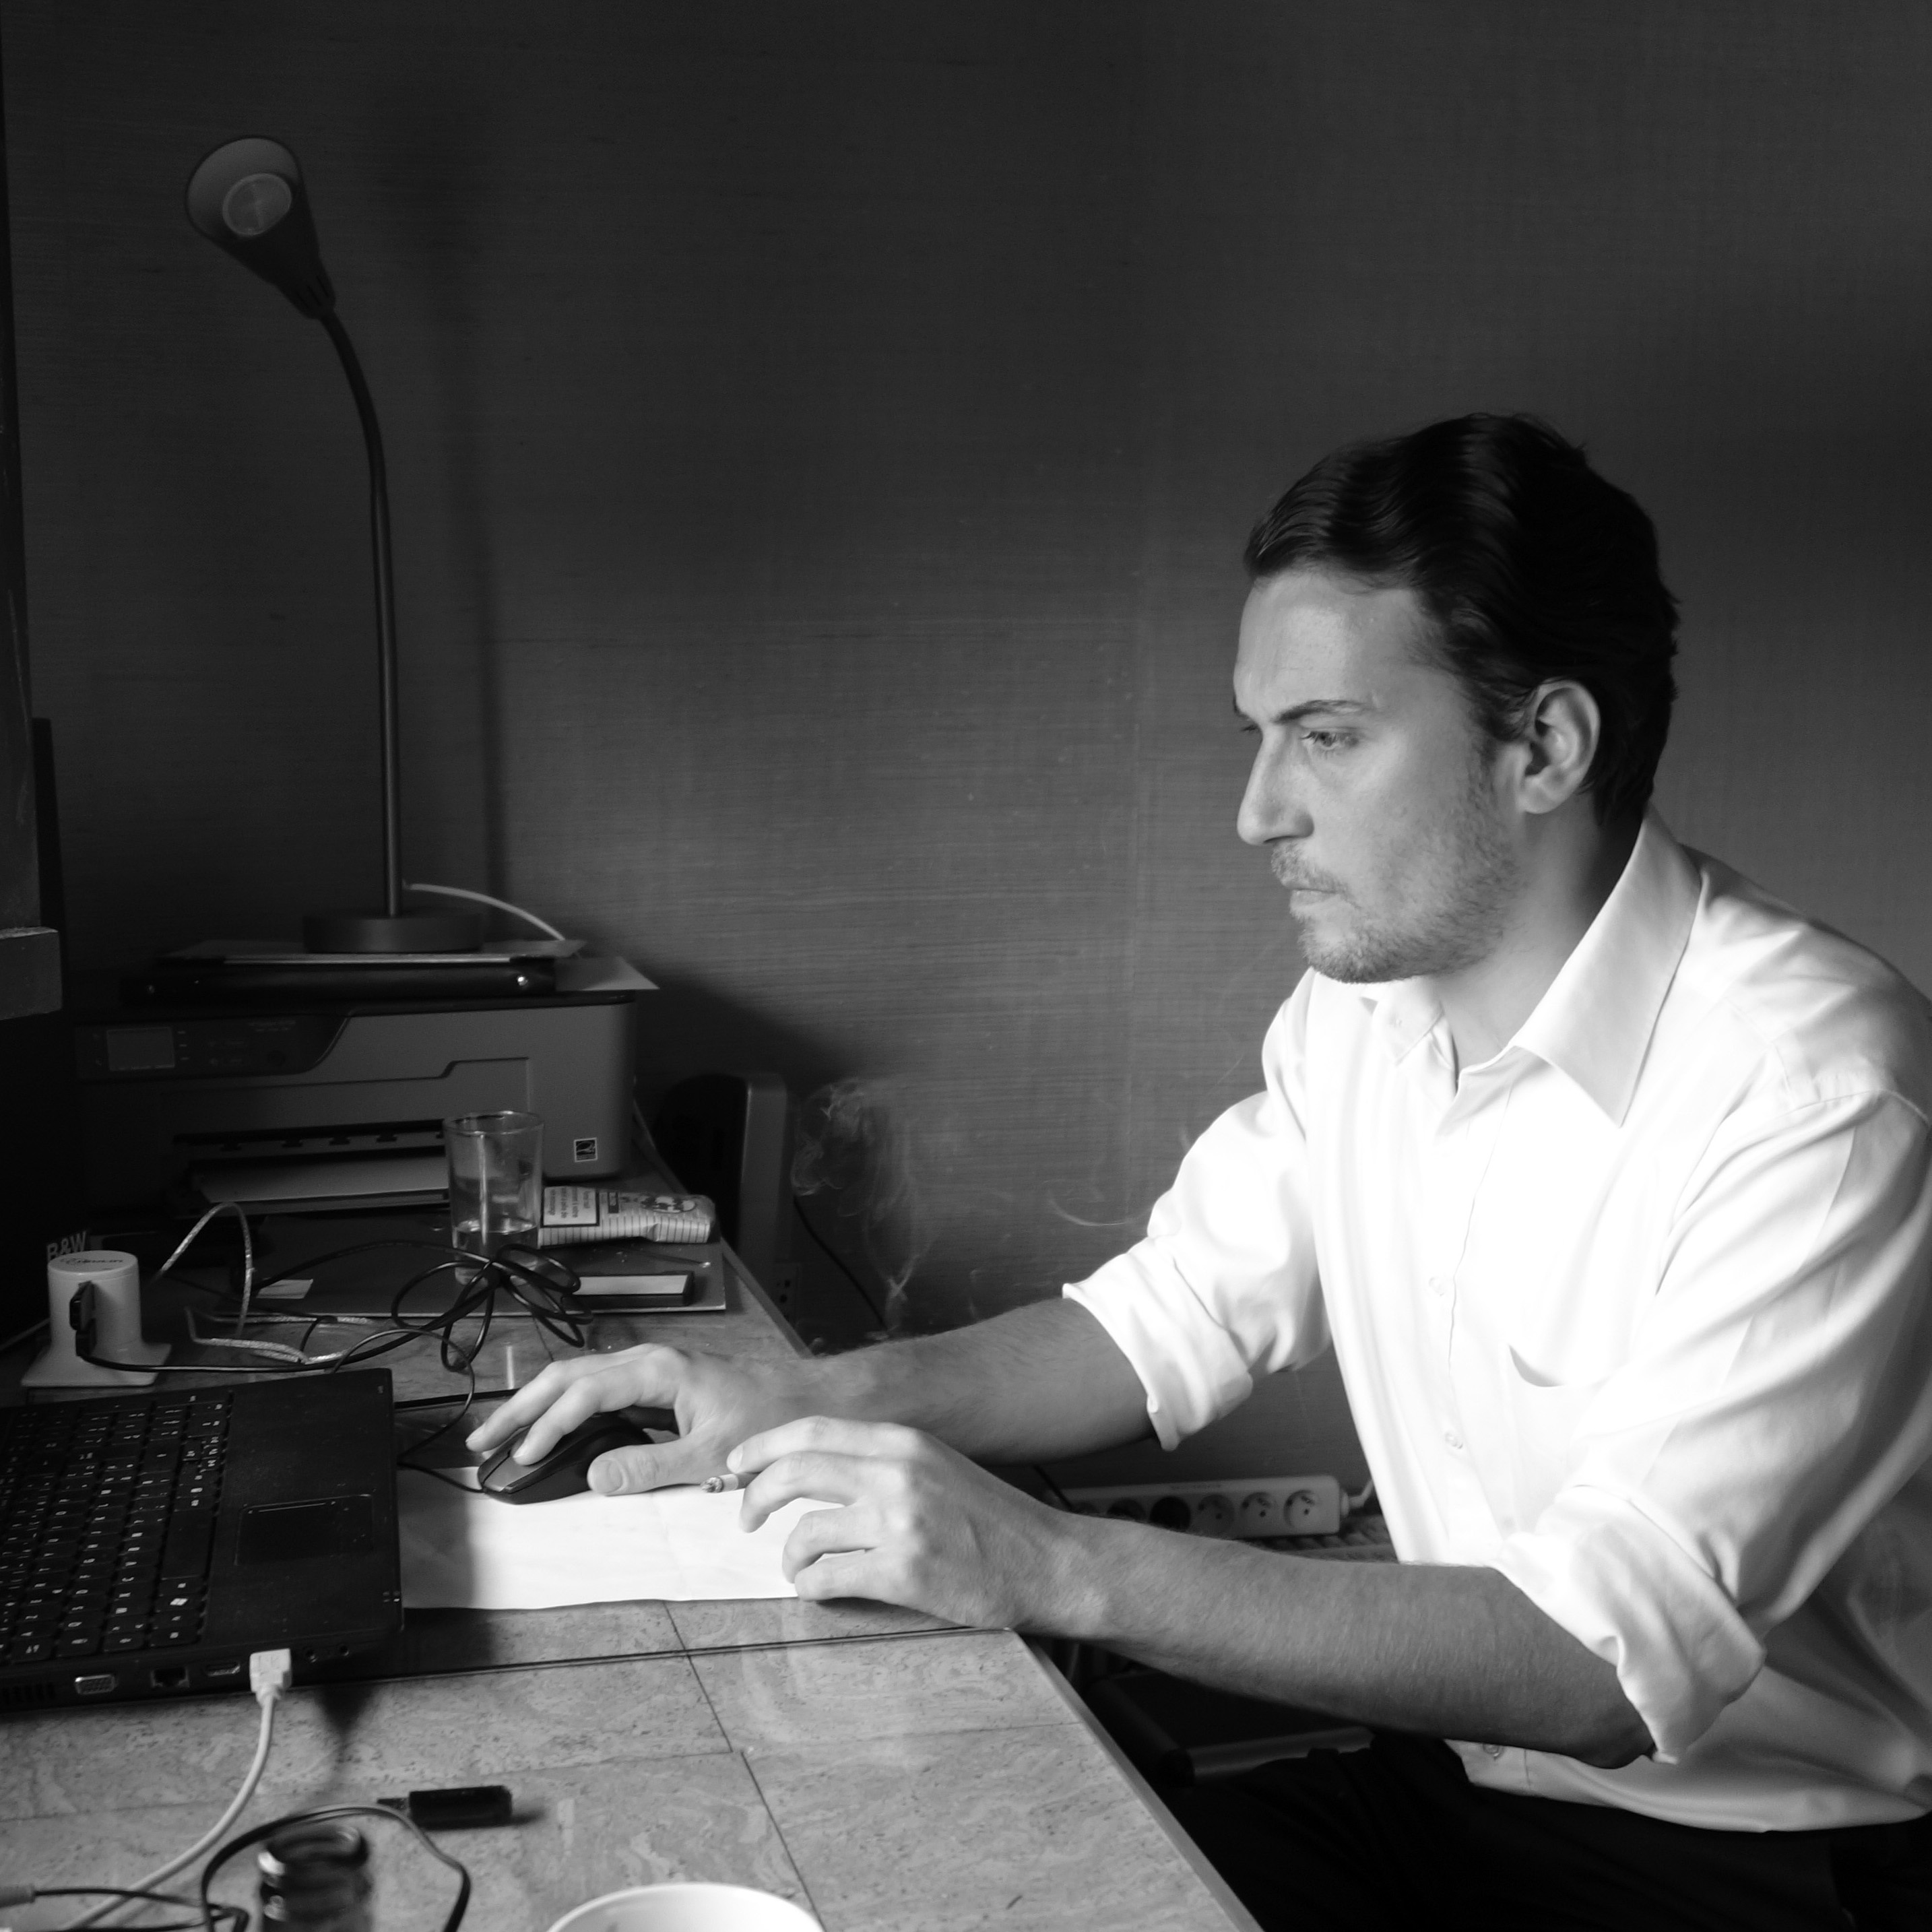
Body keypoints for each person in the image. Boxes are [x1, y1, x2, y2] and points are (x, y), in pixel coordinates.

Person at [470, 414, 1932, 1929]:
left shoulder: (1821, 1097)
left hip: (1754, 1876)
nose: (1259, 812)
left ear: (1545, 747)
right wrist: (808, 1398)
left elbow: (1596, 1664)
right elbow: (1162, 1322)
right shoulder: (1367, 1010)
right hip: (1451, 1794)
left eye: (1328, 736)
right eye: (1259, 736)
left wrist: (1045, 1562)